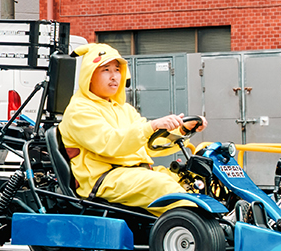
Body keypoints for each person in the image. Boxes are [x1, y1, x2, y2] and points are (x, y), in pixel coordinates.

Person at [60, 43, 195, 213]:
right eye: (106, 70)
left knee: (193, 180)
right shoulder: (79, 110)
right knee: (163, 187)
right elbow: (110, 143)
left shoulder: (124, 109)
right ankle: (197, 225)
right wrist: (151, 126)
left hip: (133, 174)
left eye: (117, 70)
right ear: (89, 75)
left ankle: (218, 220)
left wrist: (182, 131)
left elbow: (147, 145)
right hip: (105, 179)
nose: (114, 76)